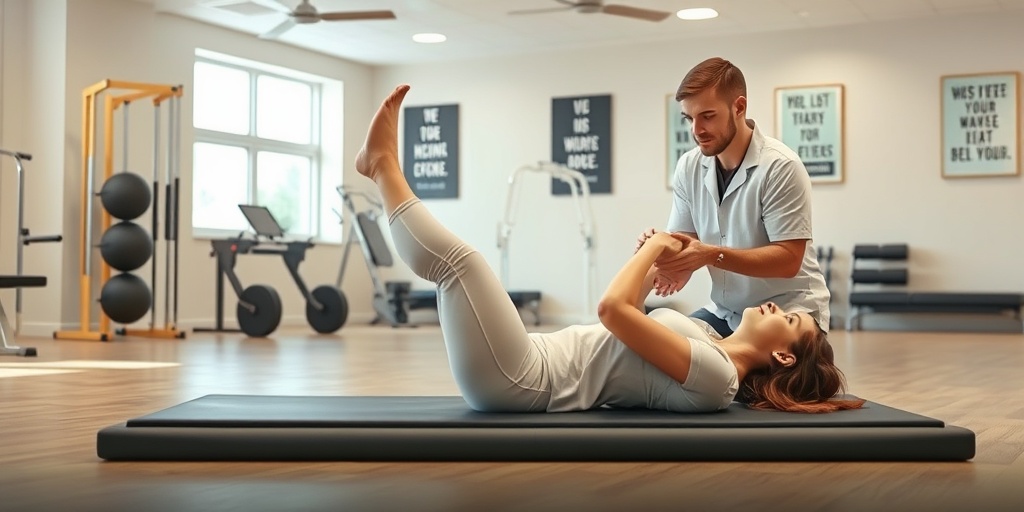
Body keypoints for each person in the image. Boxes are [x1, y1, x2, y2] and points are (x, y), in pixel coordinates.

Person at [354, 84, 863, 415]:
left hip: (525, 380)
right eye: (691, 117)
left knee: (460, 265)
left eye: (791, 320)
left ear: (780, 353)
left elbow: (611, 310)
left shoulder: (716, 378)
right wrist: (659, 254)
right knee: (458, 268)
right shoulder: (708, 341)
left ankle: (382, 168)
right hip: (529, 362)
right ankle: (381, 166)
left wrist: (664, 250)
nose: (780, 307)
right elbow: (633, 306)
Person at [640, 57, 832, 340]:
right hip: (725, 312)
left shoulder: (781, 166)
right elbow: (685, 244)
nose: (696, 130)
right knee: (662, 346)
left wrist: (709, 254)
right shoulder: (688, 166)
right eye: (689, 118)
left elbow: (788, 260)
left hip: (790, 313)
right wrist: (663, 254)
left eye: (707, 116)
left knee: (735, 380)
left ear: (739, 107)